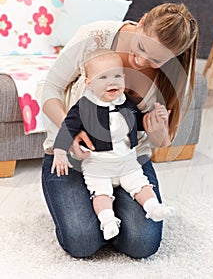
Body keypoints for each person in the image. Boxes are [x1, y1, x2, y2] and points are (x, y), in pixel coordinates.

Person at [37, 2, 198, 259]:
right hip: (74, 156)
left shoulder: (170, 76)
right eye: (142, 46)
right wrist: (71, 134)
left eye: (156, 60)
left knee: (143, 243)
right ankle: (98, 213)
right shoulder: (95, 36)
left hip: (127, 160)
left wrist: (156, 132)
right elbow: (49, 88)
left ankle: (108, 213)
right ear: (142, 20)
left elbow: (164, 140)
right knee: (82, 241)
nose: (141, 60)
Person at [52, 49, 174, 241]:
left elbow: (138, 121)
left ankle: (153, 208)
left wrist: (152, 119)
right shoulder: (84, 106)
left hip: (126, 162)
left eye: (117, 75)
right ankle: (108, 221)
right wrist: (60, 152)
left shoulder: (126, 103)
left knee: (141, 184)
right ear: (89, 83)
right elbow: (68, 127)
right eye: (103, 77)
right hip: (98, 165)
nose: (112, 81)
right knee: (101, 194)